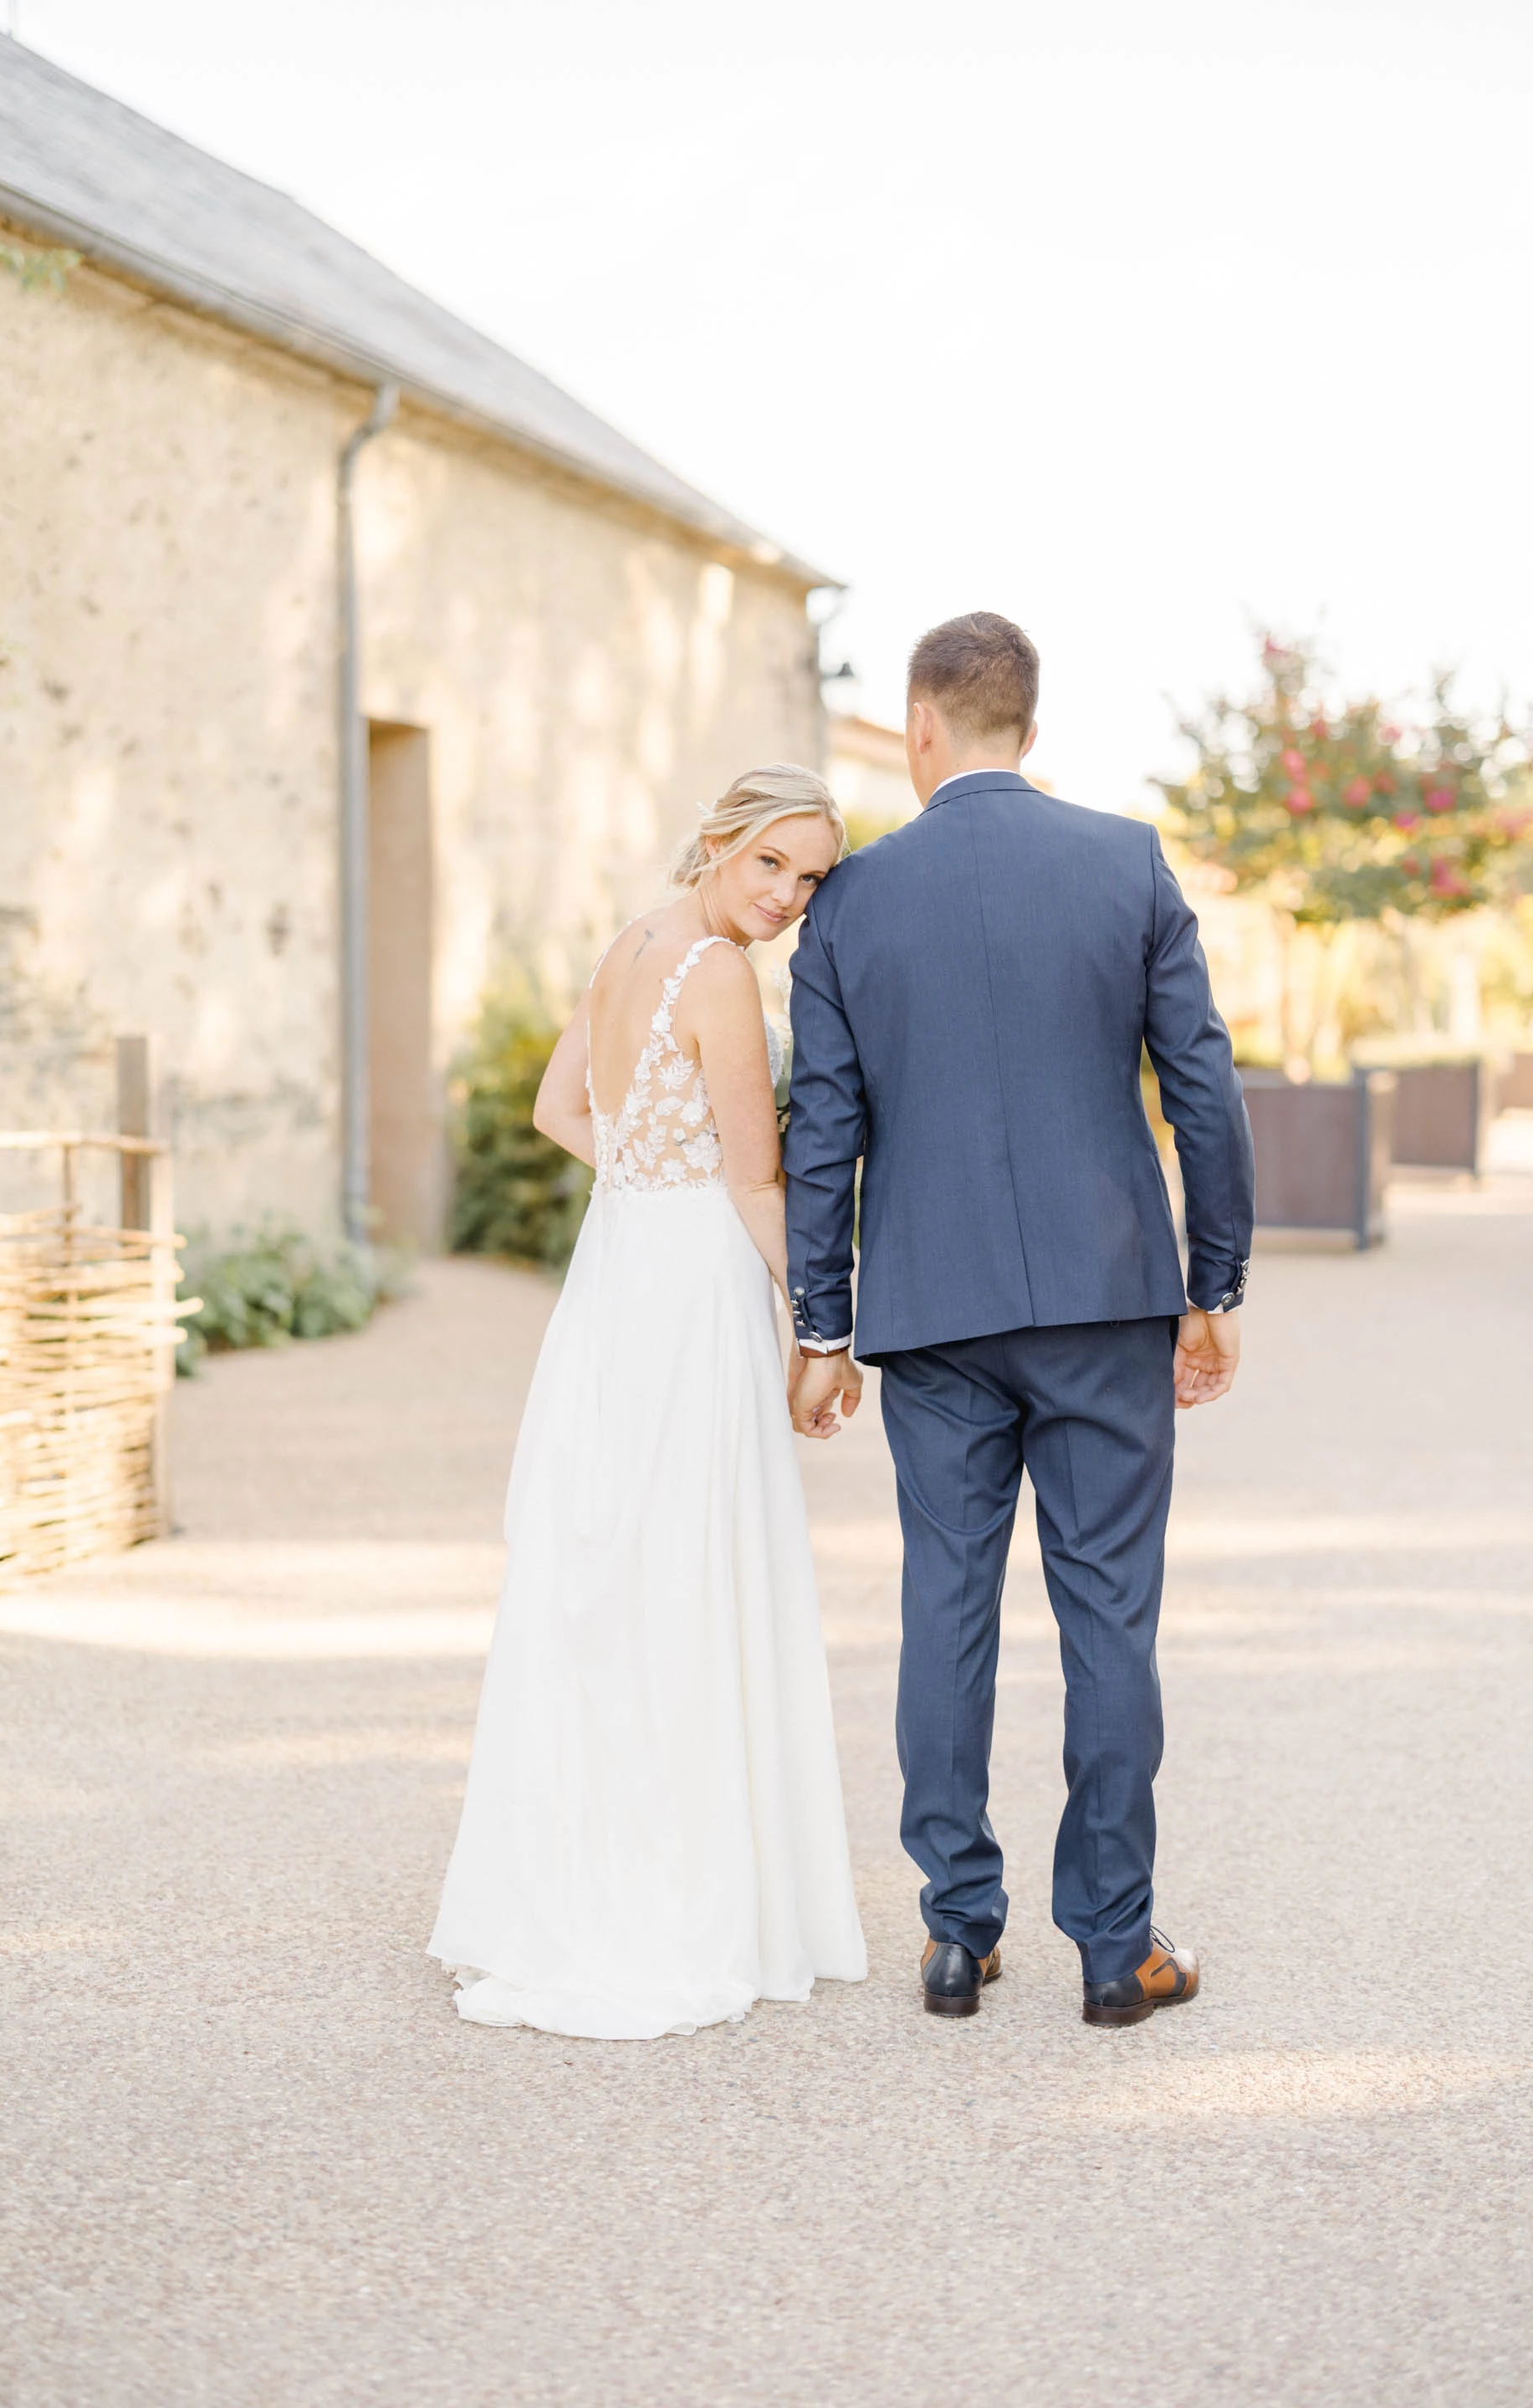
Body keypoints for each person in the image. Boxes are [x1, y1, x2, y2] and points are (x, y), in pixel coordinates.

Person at [784, 612, 1254, 2028]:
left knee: (948, 1599)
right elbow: (1205, 1088)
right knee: (1111, 1609)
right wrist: (1213, 1283)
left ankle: (956, 1930)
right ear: (1028, 730)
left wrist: (822, 1317)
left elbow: (824, 1129)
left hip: (932, 1315)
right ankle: (1116, 1947)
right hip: (1109, 1298)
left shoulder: (853, 901)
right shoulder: (1125, 862)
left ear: (922, 726)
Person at [428, 765, 867, 2039]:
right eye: (771, 865)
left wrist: (642, 1164)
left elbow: (561, 1108)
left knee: (615, 1569)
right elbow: (758, 1179)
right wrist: (824, 1328)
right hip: (686, 1287)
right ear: (719, 843)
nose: (787, 898)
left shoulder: (632, 941)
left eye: (812, 878)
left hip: (617, 1270)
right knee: (686, 1565)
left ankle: (576, 1872)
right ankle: (686, 1892)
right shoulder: (720, 976)